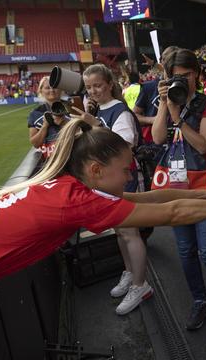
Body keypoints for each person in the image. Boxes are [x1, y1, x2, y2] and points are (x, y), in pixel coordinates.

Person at [0, 120, 206, 302]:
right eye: (125, 171)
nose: (128, 176)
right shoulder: (78, 201)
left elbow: (149, 198)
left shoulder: (69, 186)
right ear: (96, 170)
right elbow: (173, 214)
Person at [151, 48, 206, 350]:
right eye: (176, 76)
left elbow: (202, 145)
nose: (181, 81)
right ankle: (201, 301)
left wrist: (178, 116)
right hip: (177, 187)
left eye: (186, 75)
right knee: (185, 251)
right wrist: (165, 104)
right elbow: (158, 138)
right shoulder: (168, 100)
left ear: (197, 75)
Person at [69, 64, 147, 316]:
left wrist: (93, 125)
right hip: (106, 181)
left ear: (110, 84)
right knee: (120, 232)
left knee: (130, 232)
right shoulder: (97, 109)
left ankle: (140, 284)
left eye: (98, 86)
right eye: (89, 87)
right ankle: (130, 272)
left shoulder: (119, 110)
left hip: (124, 178)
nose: (93, 91)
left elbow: (125, 144)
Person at [28, 76, 66, 159]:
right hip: (50, 160)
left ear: (61, 89)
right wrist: (45, 126)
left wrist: (64, 123)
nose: (51, 90)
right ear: (41, 91)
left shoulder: (71, 107)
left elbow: (83, 134)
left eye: (54, 87)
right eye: (47, 88)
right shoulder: (35, 113)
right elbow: (35, 144)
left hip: (73, 157)